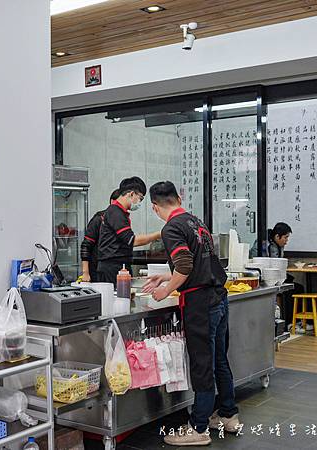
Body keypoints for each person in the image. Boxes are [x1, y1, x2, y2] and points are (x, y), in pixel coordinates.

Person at [143, 181, 239, 446]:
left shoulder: (171, 227)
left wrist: (165, 291)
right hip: (218, 297)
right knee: (219, 359)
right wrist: (167, 277)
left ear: (154, 207)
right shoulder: (195, 221)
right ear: (178, 197)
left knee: (202, 363)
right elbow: (198, 262)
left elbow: (184, 264)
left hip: (200, 304)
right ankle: (229, 413)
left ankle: (198, 427)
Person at [96, 177, 161, 286]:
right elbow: (132, 240)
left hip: (119, 264)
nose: (139, 202)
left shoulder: (120, 212)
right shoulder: (115, 212)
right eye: (140, 198)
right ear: (131, 194)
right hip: (112, 266)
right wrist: (159, 234)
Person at [80, 189, 120, 282]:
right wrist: (85, 273)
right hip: (98, 270)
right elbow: (86, 246)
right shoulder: (99, 219)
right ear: (112, 202)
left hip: (115, 270)